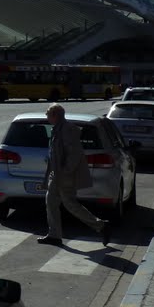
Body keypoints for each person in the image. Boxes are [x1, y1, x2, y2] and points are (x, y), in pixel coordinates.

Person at [38, 103, 111, 246]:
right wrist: (48, 176)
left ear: (55, 115)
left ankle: (101, 225)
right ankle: (54, 235)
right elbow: (55, 154)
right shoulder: (57, 129)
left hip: (64, 176)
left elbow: (75, 154)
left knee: (71, 204)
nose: (46, 116)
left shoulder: (67, 130)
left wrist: (65, 172)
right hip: (56, 175)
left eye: (48, 114)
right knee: (51, 202)